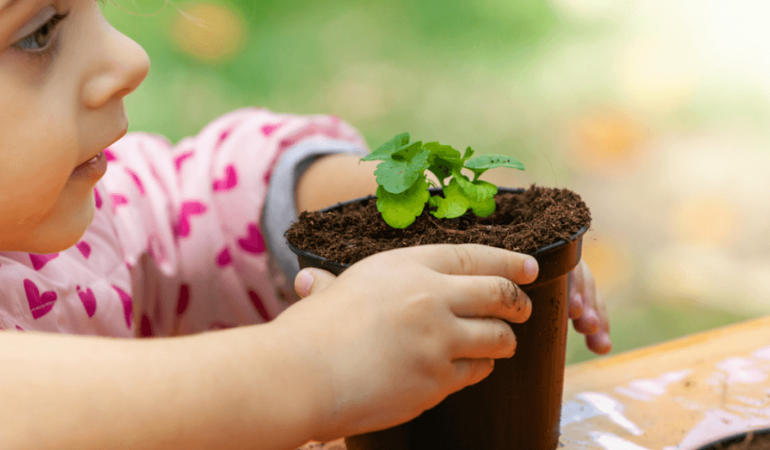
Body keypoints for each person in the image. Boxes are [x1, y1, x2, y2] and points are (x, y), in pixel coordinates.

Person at [0, 0, 611, 448]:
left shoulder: (59, 234)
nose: (129, 58)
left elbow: (187, 214)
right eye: (38, 32)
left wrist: (381, 208)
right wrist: (313, 367)